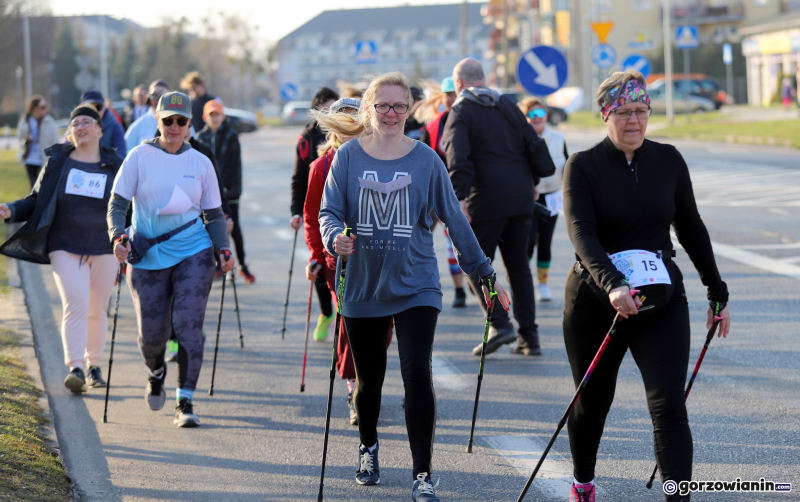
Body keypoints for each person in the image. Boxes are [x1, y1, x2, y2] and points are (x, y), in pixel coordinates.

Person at [318, 72, 511, 502]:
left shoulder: (426, 160)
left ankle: (422, 474)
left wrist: (485, 276)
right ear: (368, 109)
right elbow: (328, 212)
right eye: (382, 105)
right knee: (369, 381)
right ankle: (368, 446)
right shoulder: (347, 158)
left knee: (416, 375)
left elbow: (456, 223)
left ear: (409, 110)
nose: (390, 113)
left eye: (398, 106)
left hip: (416, 285)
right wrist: (335, 238)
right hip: (363, 286)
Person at [562, 70, 731, 502]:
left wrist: (717, 291)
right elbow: (582, 234)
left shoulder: (669, 159)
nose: (633, 121)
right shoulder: (582, 165)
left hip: (661, 301)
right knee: (593, 402)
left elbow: (691, 228)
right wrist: (613, 284)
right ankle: (583, 482)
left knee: (669, 406)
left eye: (641, 111)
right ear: (606, 115)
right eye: (623, 112)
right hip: (598, 302)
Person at [108, 91, 234, 428]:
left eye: (182, 121)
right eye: (168, 120)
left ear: (191, 124)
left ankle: (185, 400)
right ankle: (156, 369)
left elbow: (214, 214)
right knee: (152, 337)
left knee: (188, 326)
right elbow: (118, 204)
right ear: (158, 121)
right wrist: (117, 236)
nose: (175, 127)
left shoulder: (201, 163)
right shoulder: (139, 156)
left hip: (193, 252)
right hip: (147, 255)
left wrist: (223, 248)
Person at [1, 106, 123, 393]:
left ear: (99, 129)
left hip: (104, 247)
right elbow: (36, 199)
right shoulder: (59, 162)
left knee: (98, 309)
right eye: (75, 123)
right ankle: (76, 367)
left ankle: (94, 365)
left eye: (87, 122)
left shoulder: (115, 164)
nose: (81, 127)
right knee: (77, 301)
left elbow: (128, 203)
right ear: (70, 131)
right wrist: (12, 210)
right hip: (64, 245)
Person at [442, 58, 555, 357]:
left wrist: (460, 199)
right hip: (520, 198)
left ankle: (500, 323)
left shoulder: (461, 111)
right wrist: (531, 182)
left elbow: (458, 158)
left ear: (459, 84)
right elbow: (530, 142)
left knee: (475, 263)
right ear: (484, 78)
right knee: (519, 267)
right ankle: (530, 338)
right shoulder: (505, 104)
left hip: (485, 199)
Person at [303, 97, 394, 426]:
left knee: (384, 324)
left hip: (382, 257)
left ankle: (371, 382)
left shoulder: (382, 158)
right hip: (338, 261)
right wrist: (317, 254)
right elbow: (313, 217)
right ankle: (354, 387)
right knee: (350, 324)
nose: (347, 129)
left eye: (353, 122)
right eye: (341, 123)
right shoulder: (321, 166)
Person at [290, 86, 339, 340]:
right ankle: (326, 312)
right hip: (317, 208)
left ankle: (339, 316)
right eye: (326, 110)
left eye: (335, 109)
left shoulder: (350, 136)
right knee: (318, 262)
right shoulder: (306, 138)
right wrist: (296, 211)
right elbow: (299, 178)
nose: (331, 115)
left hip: (340, 213)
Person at [417, 76, 466, 307]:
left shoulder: (471, 122)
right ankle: (459, 290)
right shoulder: (433, 126)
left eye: (454, 94)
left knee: (458, 242)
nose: (451, 99)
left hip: (462, 194)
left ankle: (469, 285)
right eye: (447, 94)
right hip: (434, 195)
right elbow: (423, 160)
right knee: (423, 239)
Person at [198, 99, 255, 283]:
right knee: (212, 227)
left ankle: (242, 265)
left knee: (234, 228)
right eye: (211, 115)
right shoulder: (201, 138)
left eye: (217, 114)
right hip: (209, 193)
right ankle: (217, 263)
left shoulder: (231, 136)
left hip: (229, 192)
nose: (214, 118)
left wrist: (231, 190)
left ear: (223, 116)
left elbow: (234, 166)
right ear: (205, 117)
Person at [518, 97, 568, 303]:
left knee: (545, 242)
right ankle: (524, 282)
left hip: (553, 198)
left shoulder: (558, 138)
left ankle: (544, 285)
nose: (536, 118)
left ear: (546, 115)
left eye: (539, 113)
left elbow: (567, 167)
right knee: (528, 242)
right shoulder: (519, 139)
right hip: (528, 198)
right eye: (530, 114)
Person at [16, 95, 60, 187]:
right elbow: (19, 136)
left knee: (44, 185)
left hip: (45, 158)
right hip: (30, 158)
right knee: (33, 186)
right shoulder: (26, 120)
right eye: (42, 107)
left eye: (45, 107)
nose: (44, 109)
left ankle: (42, 201)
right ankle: (33, 201)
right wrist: (27, 138)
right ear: (34, 108)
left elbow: (56, 140)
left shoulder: (49, 121)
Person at [124, 79, 170, 152]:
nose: (160, 100)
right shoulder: (137, 126)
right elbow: (126, 153)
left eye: (164, 95)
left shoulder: (181, 124)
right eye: (155, 95)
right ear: (149, 97)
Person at [81, 90, 127, 156]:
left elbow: (121, 157)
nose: (95, 111)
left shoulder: (115, 127)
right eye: (90, 108)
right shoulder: (76, 128)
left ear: (104, 107)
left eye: (98, 107)